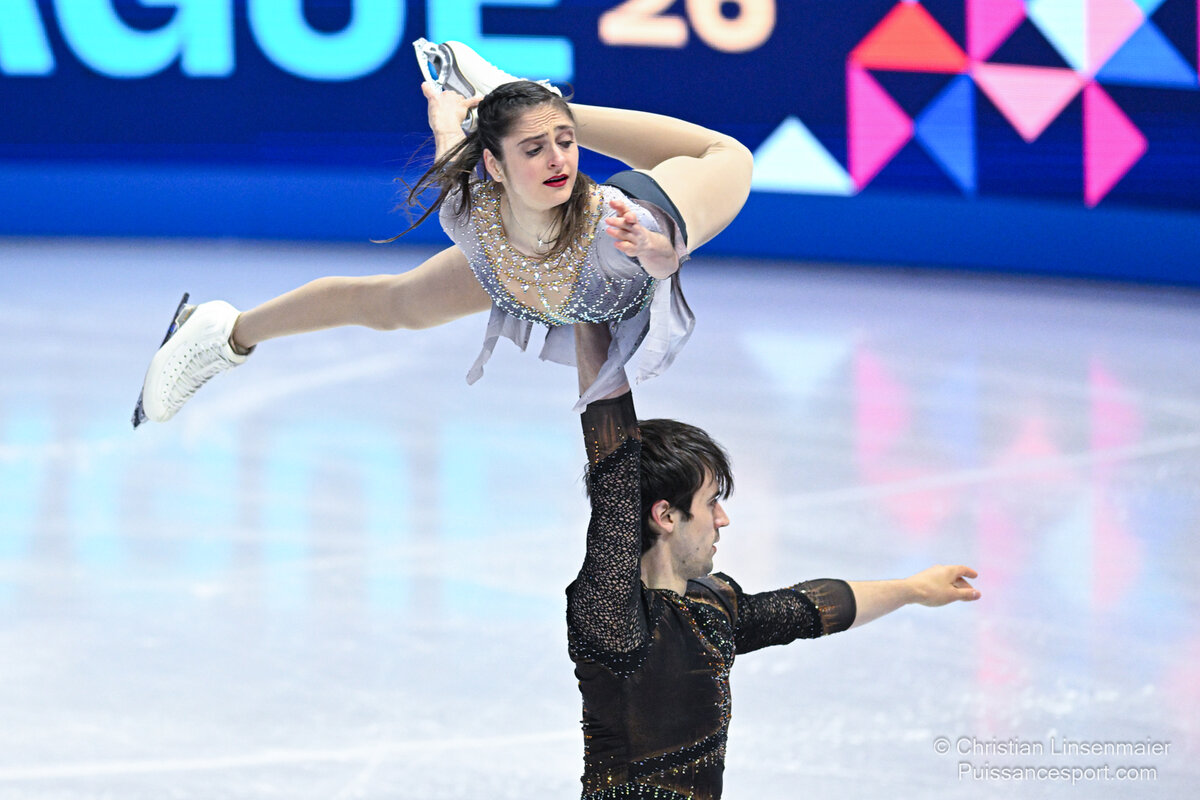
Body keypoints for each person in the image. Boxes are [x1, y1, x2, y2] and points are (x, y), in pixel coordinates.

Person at [132, 41, 753, 427]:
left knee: (727, 156)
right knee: (394, 304)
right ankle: (221, 331)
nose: (558, 160)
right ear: (494, 169)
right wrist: (448, 114)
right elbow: (452, 143)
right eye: (533, 150)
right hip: (537, 265)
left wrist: (656, 248)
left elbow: (664, 263)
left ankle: (519, 98)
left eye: (564, 144)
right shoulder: (471, 216)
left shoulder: (616, 228)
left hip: (643, 223)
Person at [567, 321, 981, 800]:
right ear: (665, 516)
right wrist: (589, 317)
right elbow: (616, 477)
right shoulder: (614, 619)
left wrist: (912, 589)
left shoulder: (711, 608)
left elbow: (809, 607)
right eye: (710, 503)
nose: (723, 519)